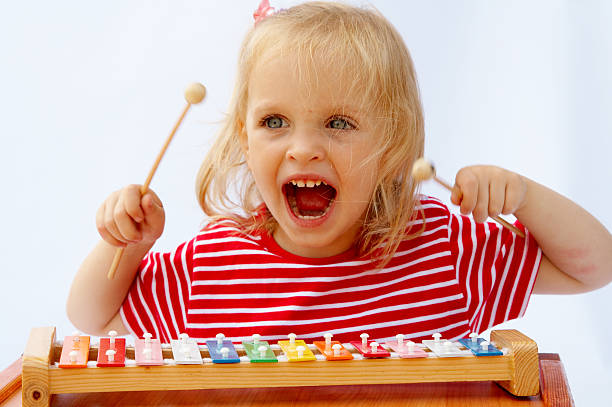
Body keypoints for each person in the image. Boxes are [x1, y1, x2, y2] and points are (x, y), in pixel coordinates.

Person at [67, 1, 612, 344]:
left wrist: (523, 196)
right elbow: (91, 317)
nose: (303, 149)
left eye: (339, 122)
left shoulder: (443, 249)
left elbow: (594, 267)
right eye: (275, 121)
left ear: (393, 144)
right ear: (243, 136)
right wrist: (129, 244)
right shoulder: (211, 266)